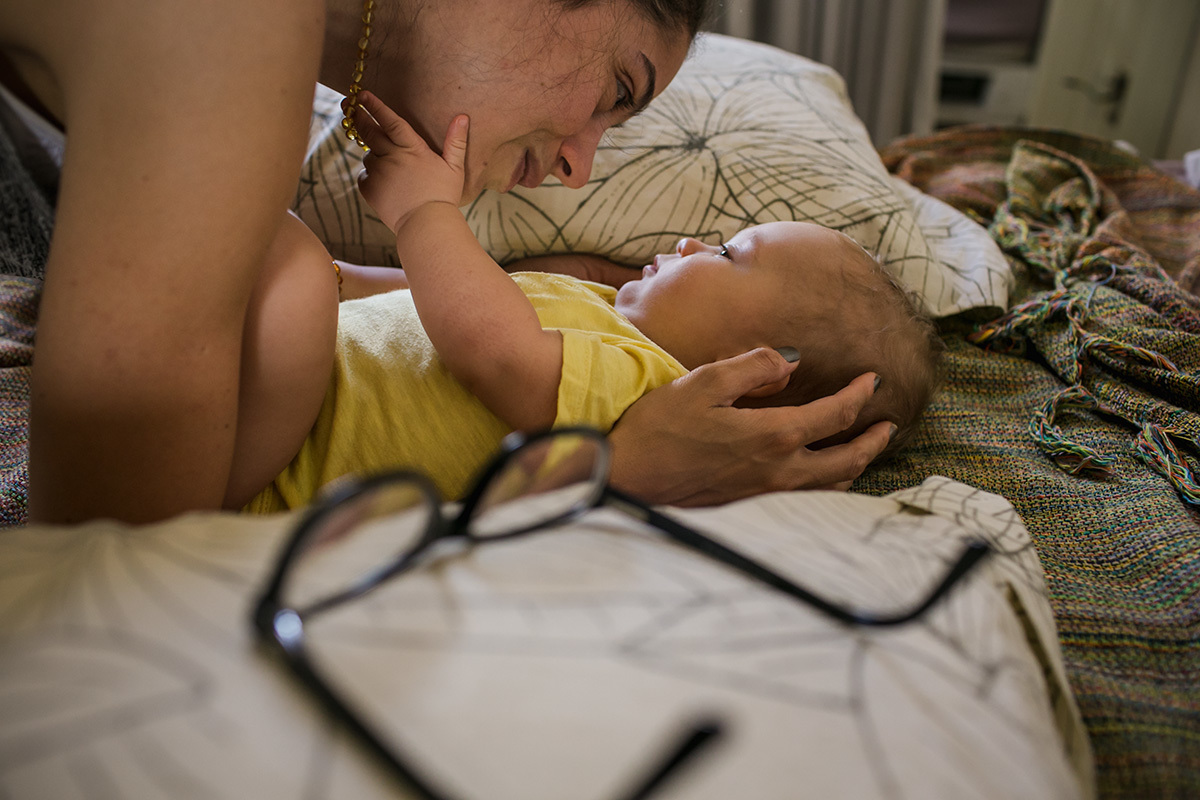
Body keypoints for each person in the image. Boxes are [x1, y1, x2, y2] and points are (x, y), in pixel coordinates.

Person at [1, 0, 894, 525]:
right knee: (296, 276)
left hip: (284, 472)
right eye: (616, 91)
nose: (577, 166)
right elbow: (107, 558)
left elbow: (483, 330)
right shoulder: (235, 34)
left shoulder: (629, 357)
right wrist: (609, 479)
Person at [231, 91, 938, 511]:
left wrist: (423, 216)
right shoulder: (600, 308)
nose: (693, 242)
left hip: (281, 466)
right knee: (277, 254)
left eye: (728, 254)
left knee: (283, 256)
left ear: (756, 368)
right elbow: (415, 304)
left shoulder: (642, 381)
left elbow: (494, 355)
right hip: (271, 392)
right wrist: (341, 279)